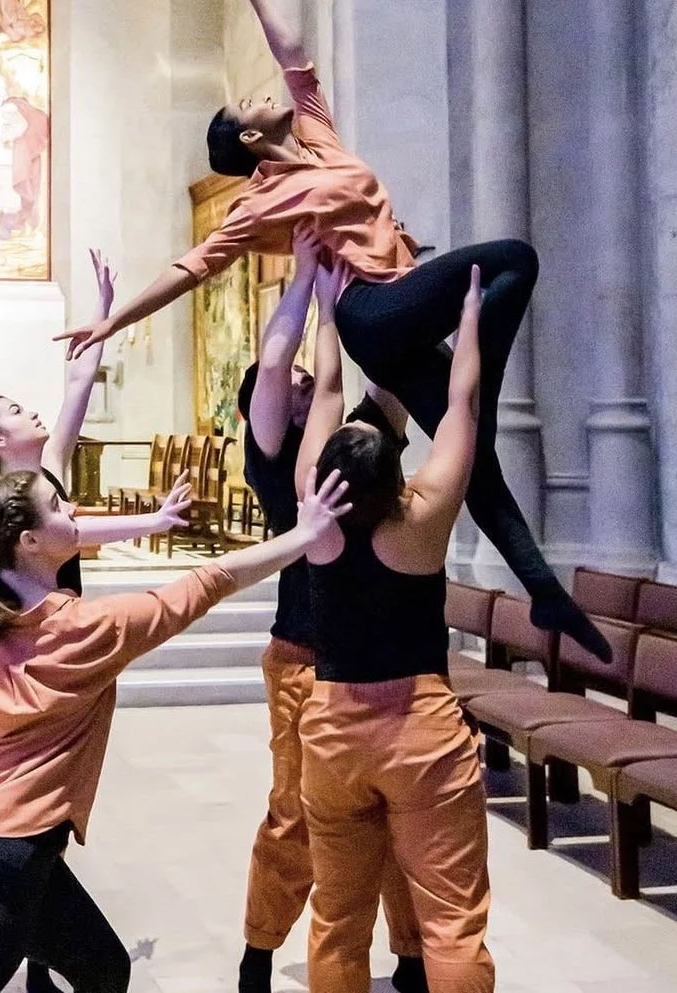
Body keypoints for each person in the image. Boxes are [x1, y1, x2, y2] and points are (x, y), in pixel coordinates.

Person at [57, 0, 607, 663]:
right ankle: (483, 392)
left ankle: (542, 587)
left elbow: (294, 56)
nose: (267, 93)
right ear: (251, 137)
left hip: (399, 304)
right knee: (513, 260)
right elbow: (192, 267)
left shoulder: (318, 136)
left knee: (472, 453)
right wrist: (113, 318)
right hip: (370, 312)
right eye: (250, 104)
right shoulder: (260, 201)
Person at [0, 462, 353, 993]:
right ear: (31, 540)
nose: (72, 511)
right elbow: (211, 580)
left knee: (104, 968)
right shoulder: (93, 629)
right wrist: (303, 535)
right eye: (57, 507)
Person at [236, 229, 427, 993]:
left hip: (389, 663)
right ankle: (258, 949)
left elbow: (401, 382)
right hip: (305, 657)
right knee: (295, 815)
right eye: (287, 389)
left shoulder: (364, 446)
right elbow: (278, 365)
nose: (305, 384)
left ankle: (412, 955)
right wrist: (312, 284)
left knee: (398, 819)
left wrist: (401, 280)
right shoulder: (282, 461)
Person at [298, 265, 493, 993]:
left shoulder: (311, 516)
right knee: (450, 919)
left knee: (338, 915)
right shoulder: (422, 516)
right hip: (420, 729)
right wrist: (465, 315)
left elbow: (323, 390)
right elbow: (461, 401)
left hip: (335, 730)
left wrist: (325, 309)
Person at [0, 248, 185, 594]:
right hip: (26, 624)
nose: (33, 413)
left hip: (67, 612)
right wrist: (155, 521)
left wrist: (104, 313)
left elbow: (80, 381)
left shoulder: (51, 462)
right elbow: (76, 532)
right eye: (16, 412)